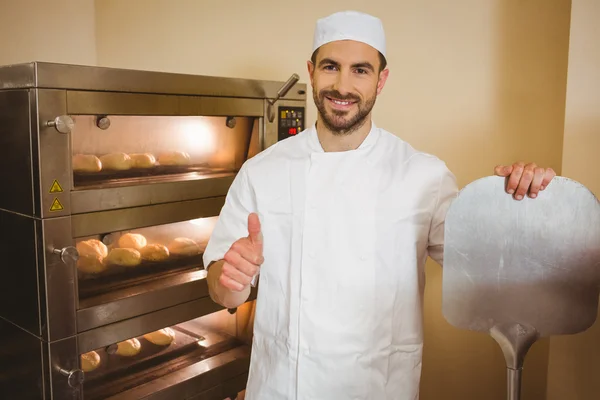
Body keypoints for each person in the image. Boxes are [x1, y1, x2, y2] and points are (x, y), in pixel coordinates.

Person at [203, 10, 556, 400]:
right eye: (330, 67)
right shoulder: (262, 172)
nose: (342, 85)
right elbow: (222, 289)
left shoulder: (423, 176)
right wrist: (231, 280)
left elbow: (489, 269)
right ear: (311, 70)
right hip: (283, 387)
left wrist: (527, 200)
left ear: (381, 80)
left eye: (360, 70)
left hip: (379, 388)